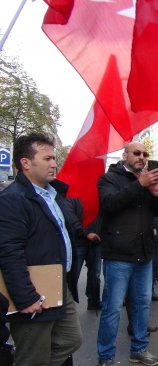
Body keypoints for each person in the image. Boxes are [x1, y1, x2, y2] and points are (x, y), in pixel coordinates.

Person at [0, 132, 82, 365]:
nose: (54, 164)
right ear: (25, 163)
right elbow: (9, 251)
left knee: (70, 340)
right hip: (33, 290)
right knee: (32, 354)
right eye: (47, 159)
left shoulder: (54, 194)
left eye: (54, 158)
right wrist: (25, 297)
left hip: (58, 284)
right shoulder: (13, 199)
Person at [96, 141, 158, 366]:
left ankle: (139, 349)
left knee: (142, 304)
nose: (142, 157)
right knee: (112, 309)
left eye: (145, 154)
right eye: (136, 153)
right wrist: (140, 184)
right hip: (119, 255)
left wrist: (155, 192)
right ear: (124, 155)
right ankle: (106, 356)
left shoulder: (146, 181)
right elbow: (109, 203)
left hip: (144, 254)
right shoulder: (109, 178)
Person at [66, 197, 102, 310]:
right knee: (73, 275)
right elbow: (71, 219)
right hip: (78, 242)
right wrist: (85, 233)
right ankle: (68, 304)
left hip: (96, 241)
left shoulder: (96, 194)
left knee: (95, 274)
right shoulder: (71, 195)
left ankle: (94, 300)